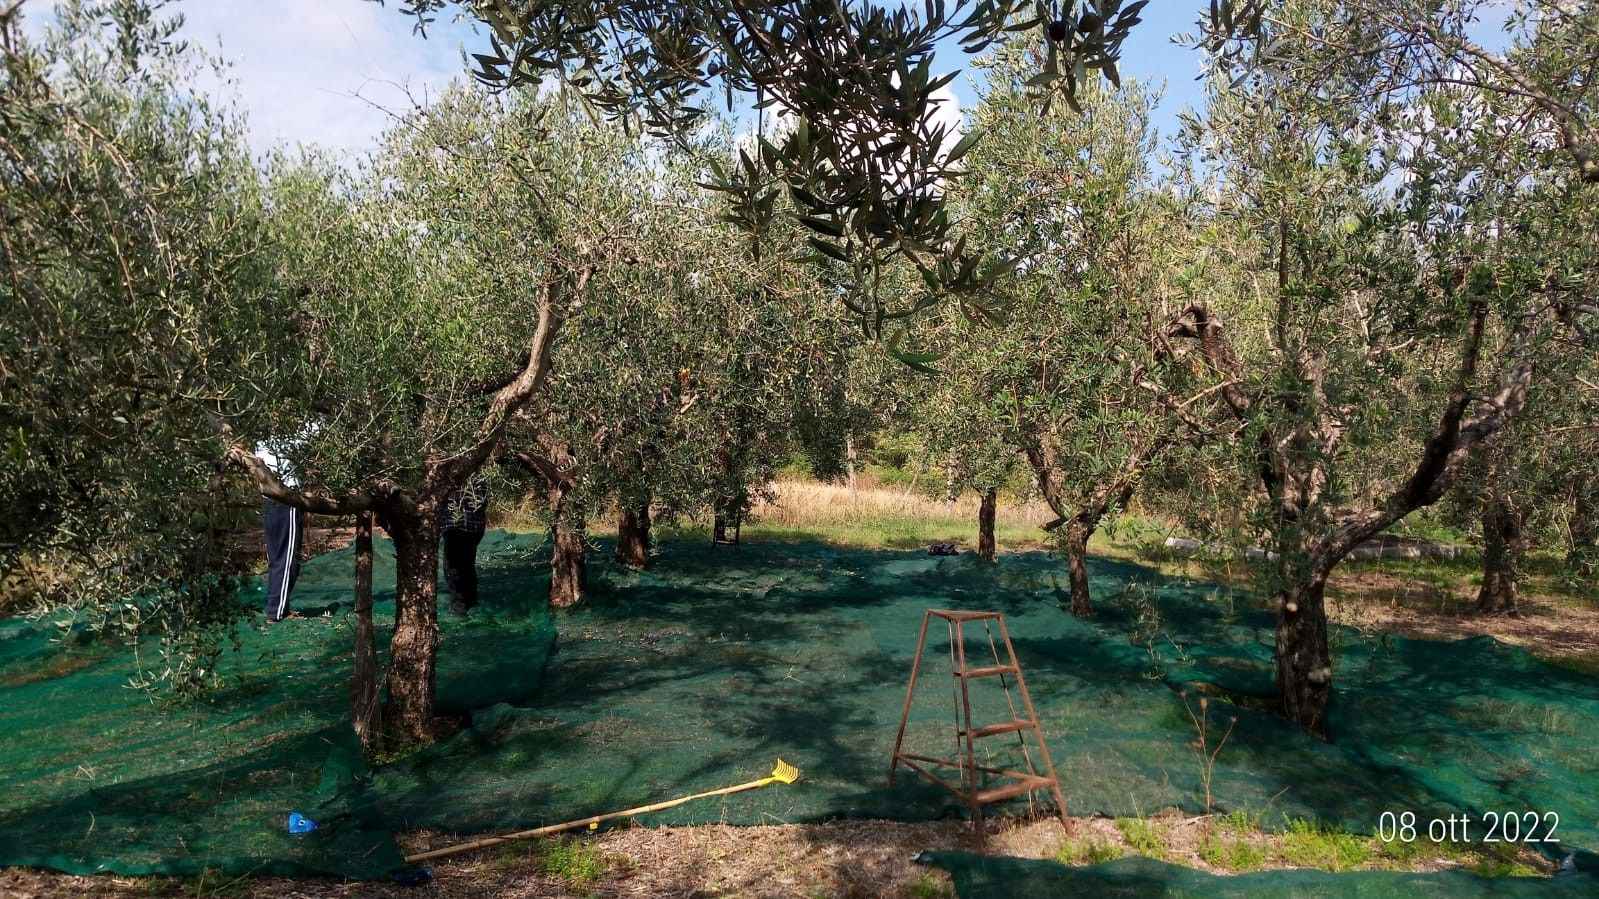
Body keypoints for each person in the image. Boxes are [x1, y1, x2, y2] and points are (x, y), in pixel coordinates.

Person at [255, 438, 305, 623]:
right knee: (287, 558)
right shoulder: (289, 435)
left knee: (278, 557)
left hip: (269, 500)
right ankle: (276, 612)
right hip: (286, 499)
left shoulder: (263, 440)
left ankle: (279, 608)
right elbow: (316, 429)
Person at [442, 476, 488, 616]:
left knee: (452, 568)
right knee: (467, 565)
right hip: (475, 529)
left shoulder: (450, 474)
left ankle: (458, 608)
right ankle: (471, 602)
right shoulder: (479, 476)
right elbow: (483, 502)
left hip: (457, 527)